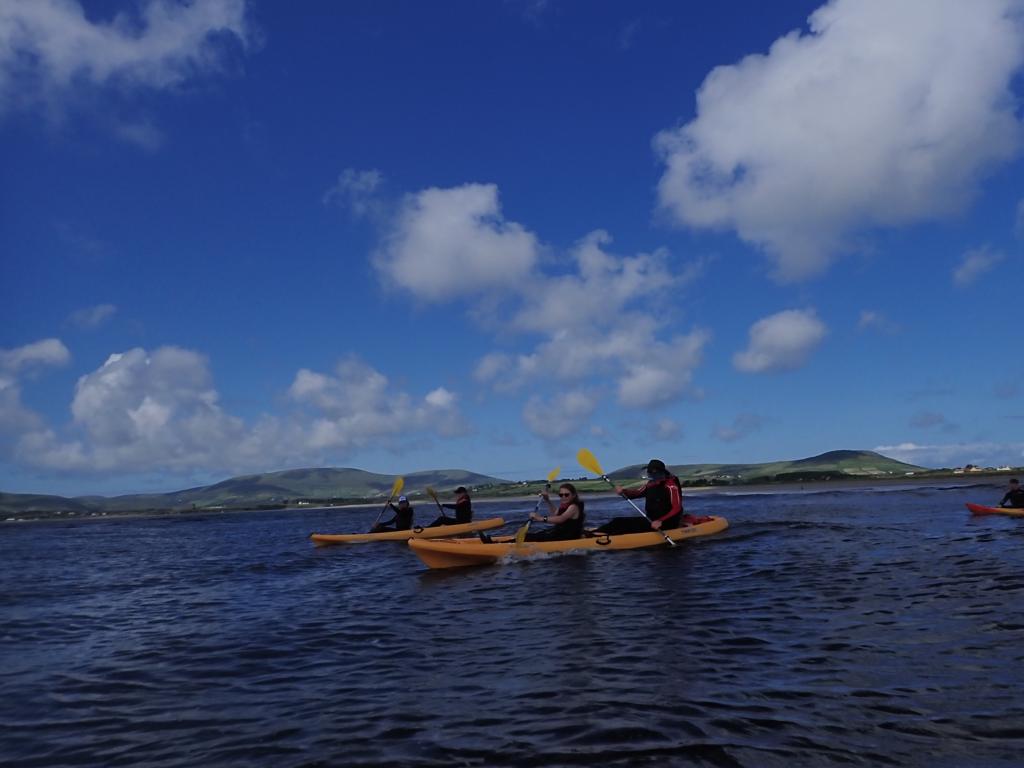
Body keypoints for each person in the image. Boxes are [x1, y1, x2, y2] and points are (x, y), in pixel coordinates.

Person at [593, 459, 688, 536]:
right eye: (650, 473)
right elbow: (637, 493)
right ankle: (596, 533)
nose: (652, 476)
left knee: (620, 523)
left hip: (667, 522)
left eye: (655, 473)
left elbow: (677, 508)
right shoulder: (650, 484)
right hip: (652, 520)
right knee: (618, 521)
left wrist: (660, 521)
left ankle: (597, 535)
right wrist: (623, 491)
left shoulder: (671, 486)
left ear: (662, 472)